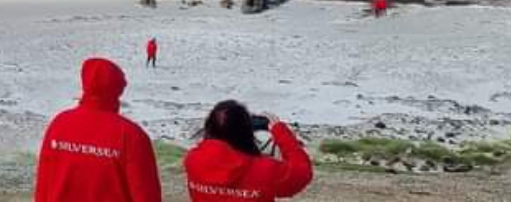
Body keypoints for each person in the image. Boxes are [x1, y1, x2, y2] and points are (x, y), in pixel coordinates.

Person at [34, 57, 162, 202]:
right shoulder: (131, 136)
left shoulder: (59, 124)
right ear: (119, 88)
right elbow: (146, 195)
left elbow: (43, 186)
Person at [183, 101, 312, 202]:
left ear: (209, 128)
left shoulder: (193, 160)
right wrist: (281, 132)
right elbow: (301, 174)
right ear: (247, 132)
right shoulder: (264, 170)